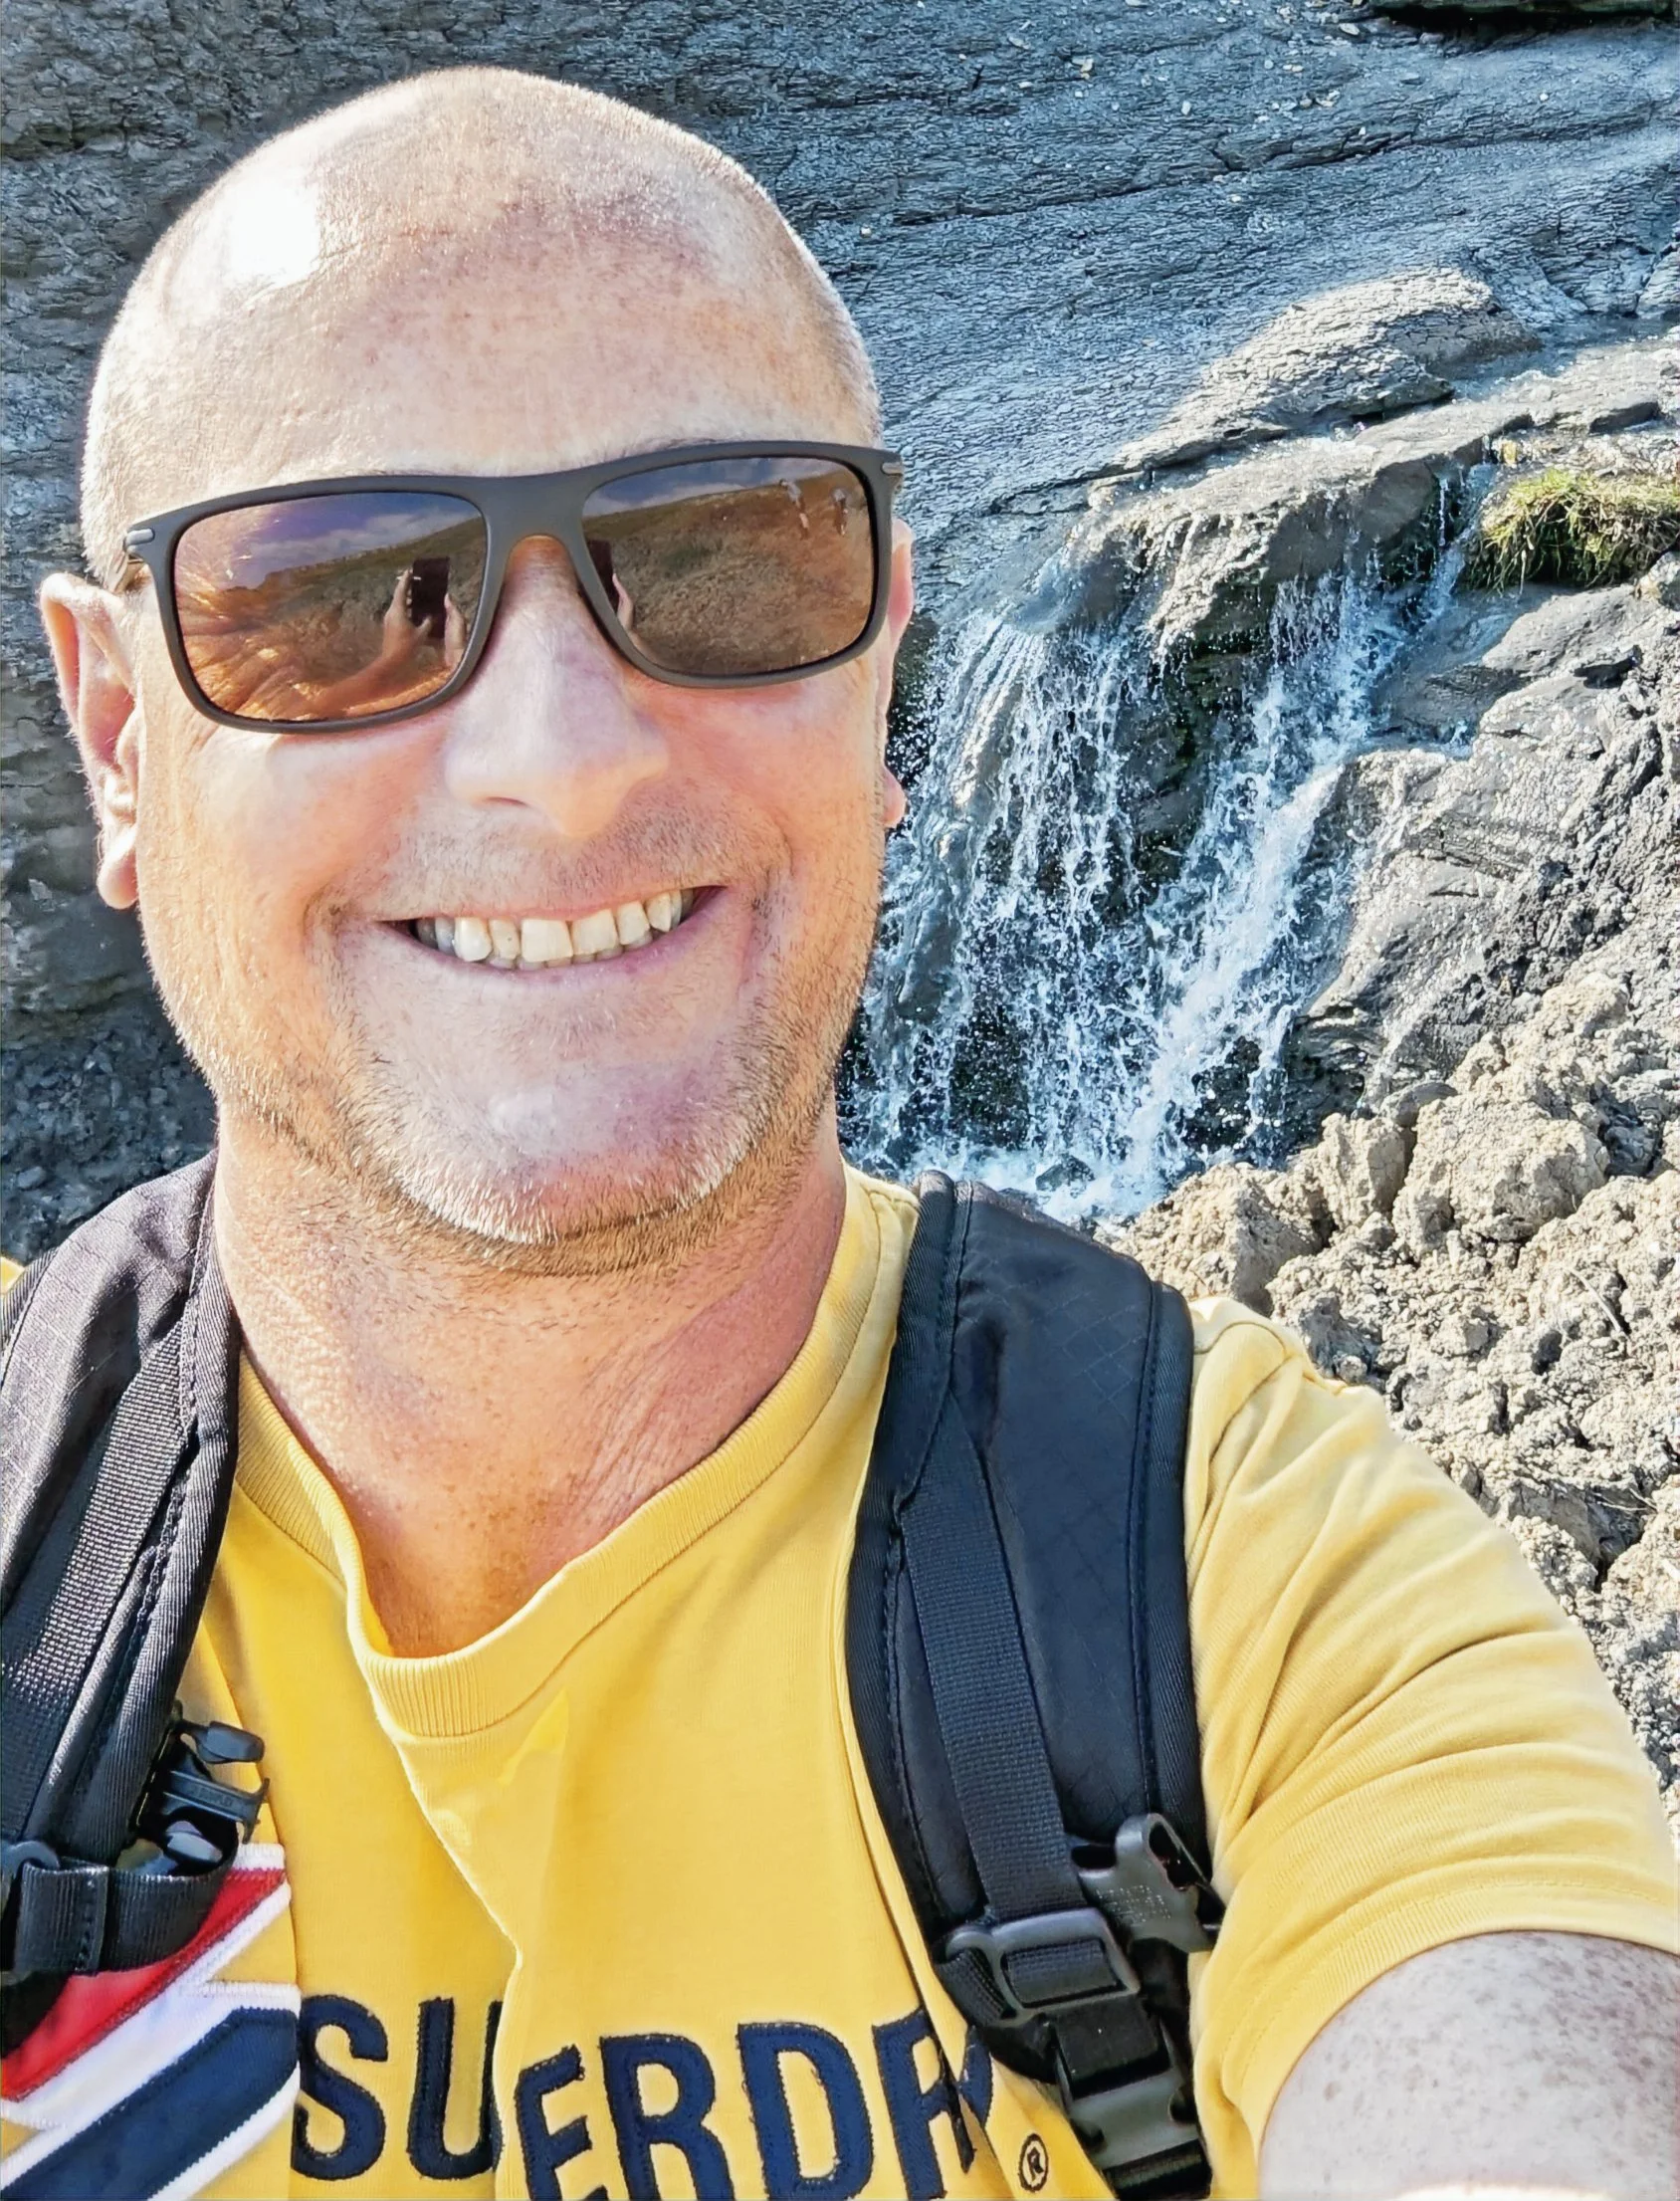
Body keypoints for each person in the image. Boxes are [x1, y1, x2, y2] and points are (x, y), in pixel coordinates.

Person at [7, 66, 1675, 2201]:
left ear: (885, 664)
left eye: (720, 562)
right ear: (122, 733)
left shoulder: (1262, 1608)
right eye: (336, 599)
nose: (563, 757)